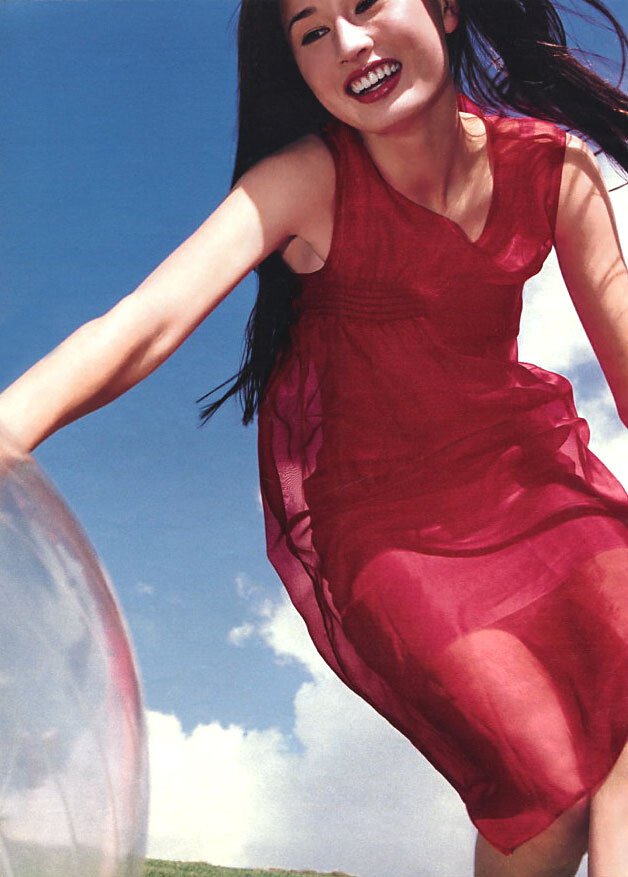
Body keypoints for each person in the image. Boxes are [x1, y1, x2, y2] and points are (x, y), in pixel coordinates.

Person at [2, 0, 628, 874]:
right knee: (548, 791)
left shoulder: (556, 171)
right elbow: (144, 321)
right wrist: (10, 425)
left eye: (366, 5)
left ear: (446, 8)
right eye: (312, 33)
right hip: (391, 529)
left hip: (539, 484)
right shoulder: (308, 180)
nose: (350, 44)